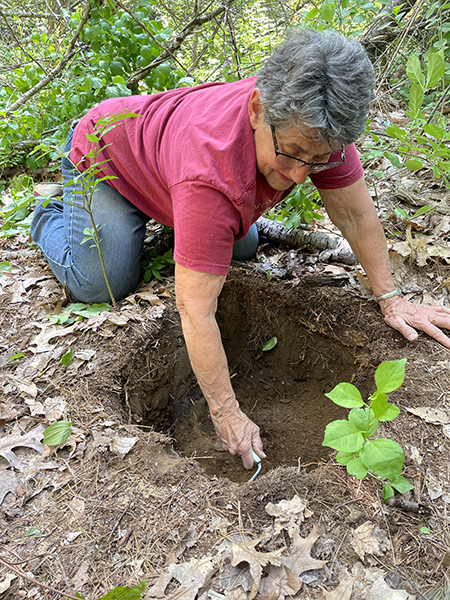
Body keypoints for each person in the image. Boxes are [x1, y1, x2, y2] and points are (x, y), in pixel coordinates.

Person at [31, 28, 450, 469]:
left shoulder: (318, 130)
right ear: (257, 110)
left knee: (240, 247)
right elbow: (195, 309)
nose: (300, 177)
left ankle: (179, 217)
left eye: (319, 160)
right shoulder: (210, 172)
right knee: (103, 282)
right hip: (108, 158)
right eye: (289, 154)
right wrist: (226, 413)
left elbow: (356, 216)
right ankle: (49, 213)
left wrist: (389, 296)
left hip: (176, 173)